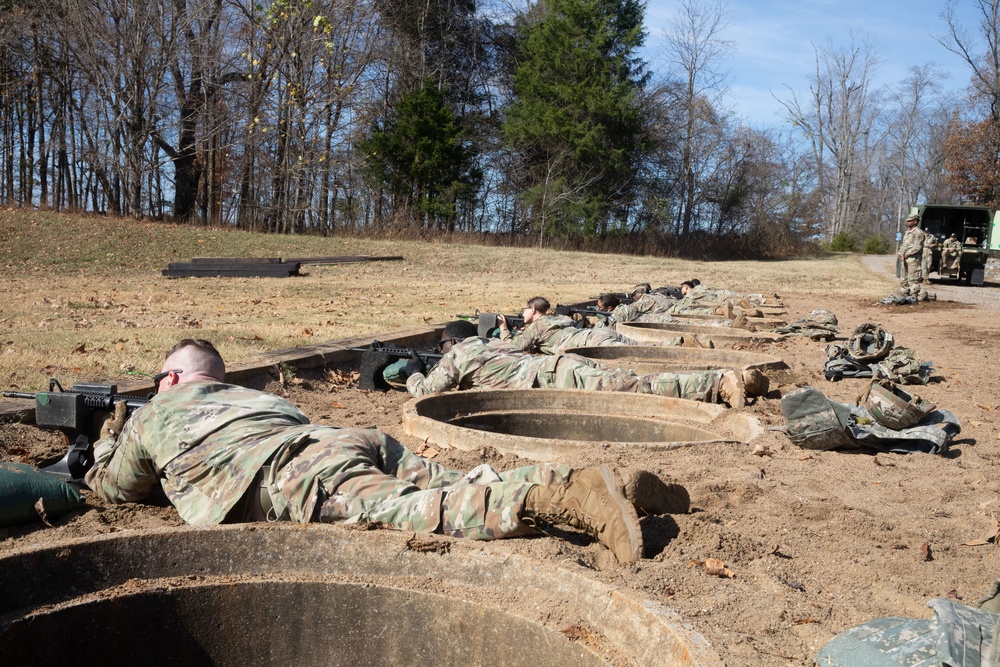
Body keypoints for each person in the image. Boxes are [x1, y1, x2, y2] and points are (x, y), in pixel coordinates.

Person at [85, 339, 692, 565]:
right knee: (455, 477)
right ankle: (588, 478)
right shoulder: (252, 397)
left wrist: (110, 437)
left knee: (417, 512)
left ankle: (560, 498)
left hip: (291, 471)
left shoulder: (160, 411)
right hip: (345, 441)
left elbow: (115, 489)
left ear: (170, 380)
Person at [404, 320, 768, 408]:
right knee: (636, 380)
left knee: (636, 388)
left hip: (556, 378)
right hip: (563, 366)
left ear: (450, 342)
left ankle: (719, 382)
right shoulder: (491, 343)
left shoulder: (457, 354)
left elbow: (425, 392)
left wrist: (414, 371)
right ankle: (726, 378)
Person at [497, 296, 640, 354]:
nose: (522, 314)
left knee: (637, 354)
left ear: (533, 309)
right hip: (600, 335)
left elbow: (514, 348)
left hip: (590, 343)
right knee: (645, 348)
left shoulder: (537, 326)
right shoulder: (558, 318)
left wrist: (504, 329)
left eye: (524, 310)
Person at [897, 213, 926, 298]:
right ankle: (904, 294)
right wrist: (900, 253)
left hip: (913, 259)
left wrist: (907, 254)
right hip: (904, 258)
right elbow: (904, 245)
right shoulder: (907, 232)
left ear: (915, 222)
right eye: (907, 221)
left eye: (909, 221)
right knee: (903, 279)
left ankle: (915, 296)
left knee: (912, 279)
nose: (907, 222)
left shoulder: (918, 233)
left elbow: (918, 247)